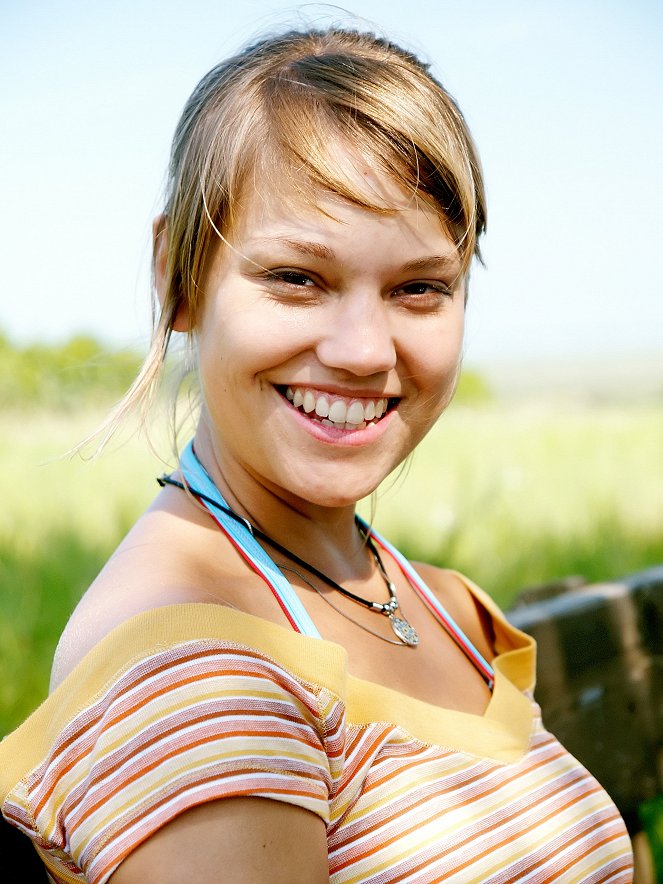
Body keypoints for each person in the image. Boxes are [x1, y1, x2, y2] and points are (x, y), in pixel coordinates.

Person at [0, 25, 633, 884]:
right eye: (298, 277)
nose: (365, 350)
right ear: (178, 277)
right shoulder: (195, 682)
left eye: (419, 287)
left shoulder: (427, 597)